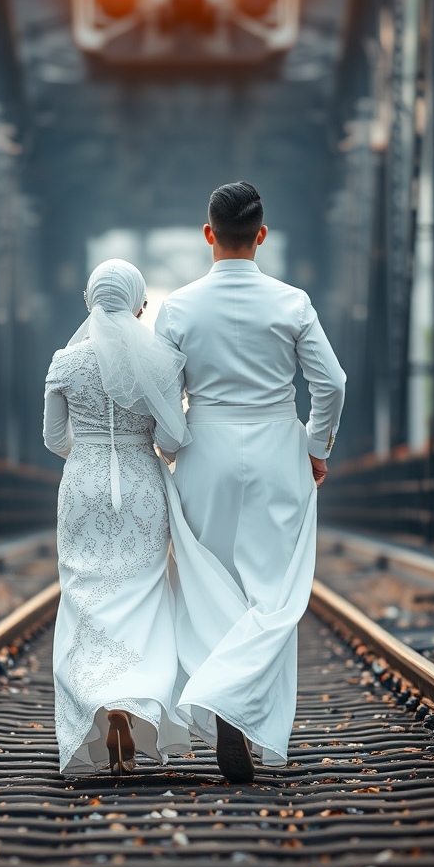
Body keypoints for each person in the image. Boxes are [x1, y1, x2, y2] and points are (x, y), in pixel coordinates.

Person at [154, 182, 346, 782]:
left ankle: (217, 697)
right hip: (276, 452)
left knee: (211, 584)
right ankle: (239, 701)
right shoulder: (291, 302)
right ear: (261, 236)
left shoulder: (179, 306)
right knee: (275, 592)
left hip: (204, 449)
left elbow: (161, 393)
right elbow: (331, 384)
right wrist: (315, 448)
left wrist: (172, 443)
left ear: (208, 234)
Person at [43, 258, 191, 775]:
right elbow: (172, 439)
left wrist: (87, 455)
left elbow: (52, 438)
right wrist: (138, 445)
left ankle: (99, 707)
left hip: (82, 485)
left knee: (85, 595)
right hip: (141, 482)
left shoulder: (64, 361)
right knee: (144, 594)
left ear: (88, 302)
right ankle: (133, 697)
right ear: (139, 304)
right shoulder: (159, 359)